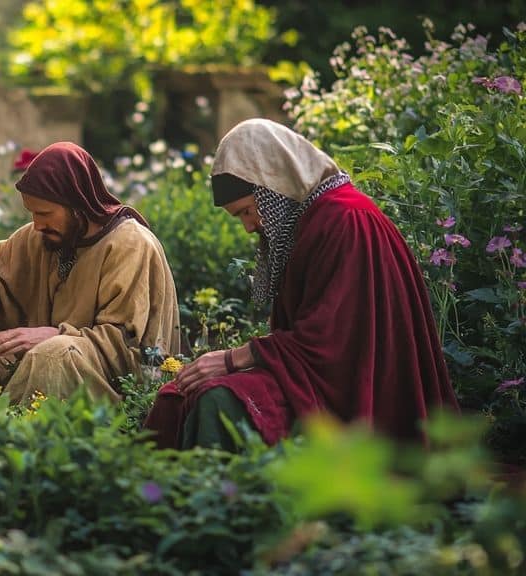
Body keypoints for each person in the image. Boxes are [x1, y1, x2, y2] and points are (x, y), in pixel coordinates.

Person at [144, 119, 459, 450]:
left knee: (219, 399)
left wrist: (232, 358)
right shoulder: (314, 221)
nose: (249, 227)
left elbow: (331, 342)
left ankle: (232, 499)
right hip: (321, 374)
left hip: (354, 391)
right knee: (177, 397)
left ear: (275, 188)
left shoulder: (345, 221)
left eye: (247, 211)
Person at [0, 141, 180, 404]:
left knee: (50, 356)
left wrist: (57, 335)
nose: (37, 224)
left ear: (77, 205)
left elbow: (126, 344)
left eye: (45, 213)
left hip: (111, 378)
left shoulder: (130, 244)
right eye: (32, 213)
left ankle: (16, 439)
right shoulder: (43, 237)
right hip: (49, 357)